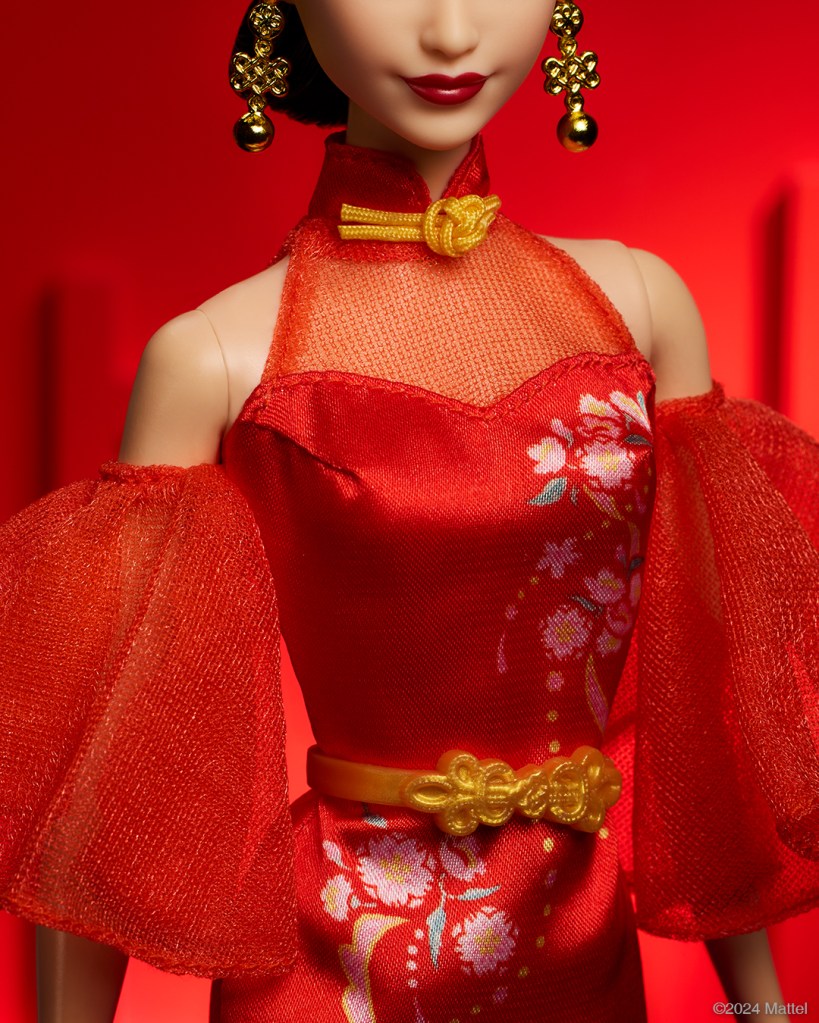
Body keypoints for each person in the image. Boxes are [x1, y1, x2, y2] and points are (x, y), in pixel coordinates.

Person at [2, 1, 818, 1021]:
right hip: (338, 956)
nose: (449, 32)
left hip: (579, 945)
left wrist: (760, 1008)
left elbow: (714, 708)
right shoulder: (218, 354)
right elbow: (120, 771)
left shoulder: (641, 308)